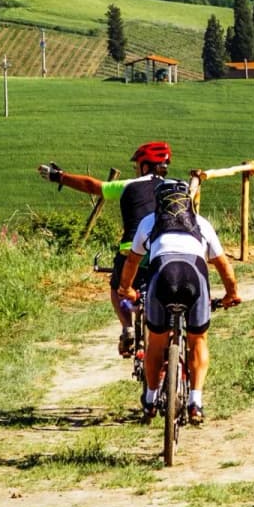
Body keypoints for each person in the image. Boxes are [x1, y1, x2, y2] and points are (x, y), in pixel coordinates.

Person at [120, 178, 241, 426]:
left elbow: (131, 261)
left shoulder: (149, 222)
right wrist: (232, 294)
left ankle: (151, 398)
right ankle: (195, 401)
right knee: (198, 339)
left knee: (157, 341)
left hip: (162, 275)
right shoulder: (201, 223)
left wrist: (126, 288)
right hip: (194, 276)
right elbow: (223, 265)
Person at [38, 141, 171, 357]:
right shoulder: (174, 187)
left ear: (145, 166)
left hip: (132, 251)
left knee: (117, 288)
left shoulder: (129, 186)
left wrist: (59, 176)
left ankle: (127, 325)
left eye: (137, 165)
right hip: (165, 249)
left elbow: (93, 186)